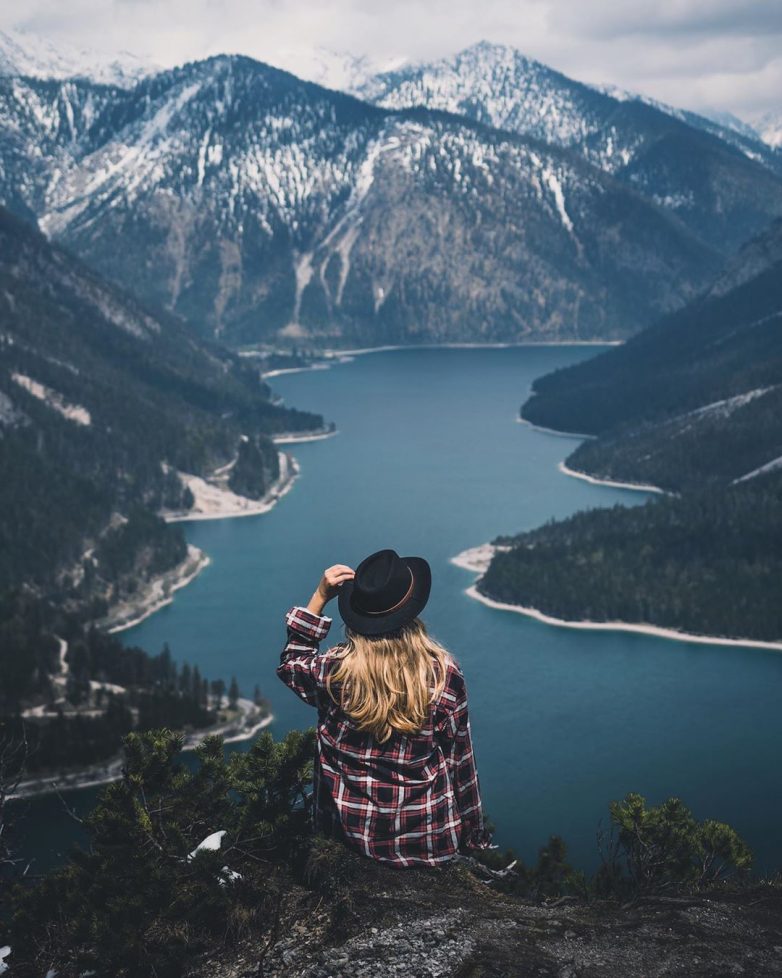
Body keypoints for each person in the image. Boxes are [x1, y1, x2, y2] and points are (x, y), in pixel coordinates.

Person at [277, 547, 494, 867]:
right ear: (411, 612)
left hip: (350, 842)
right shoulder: (442, 673)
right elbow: (460, 760)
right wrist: (474, 834)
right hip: (427, 843)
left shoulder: (334, 671)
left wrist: (319, 596)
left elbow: (293, 664)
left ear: (357, 617)